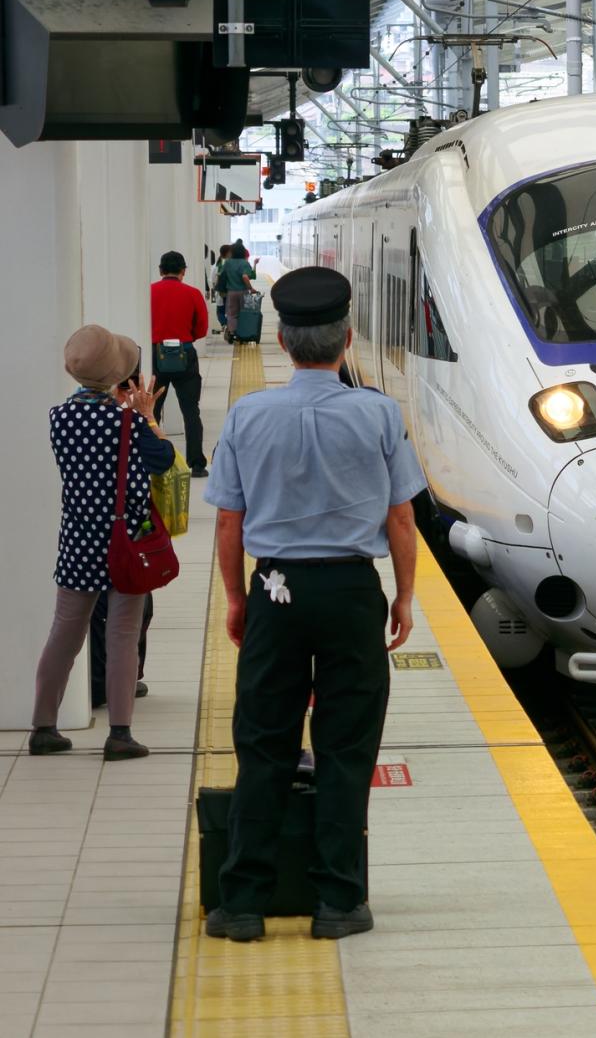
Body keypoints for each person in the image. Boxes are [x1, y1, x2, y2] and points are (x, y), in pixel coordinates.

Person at [204, 267, 424, 943]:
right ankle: (337, 903)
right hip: (350, 592)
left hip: (276, 590)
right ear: (346, 339)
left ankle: (240, 904)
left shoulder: (248, 413)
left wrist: (240, 600)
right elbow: (401, 522)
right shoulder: (379, 413)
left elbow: (228, 525)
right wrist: (405, 597)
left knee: (264, 746)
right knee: (345, 748)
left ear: (279, 337)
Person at [30, 327, 175, 761]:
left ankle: (43, 727)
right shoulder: (127, 421)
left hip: (77, 539)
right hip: (125, 542)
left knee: (64, 633)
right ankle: (120, 733)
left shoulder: (59, 416)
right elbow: (164, 460)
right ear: (116, 373)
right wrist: (145, 416)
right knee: (123, 635)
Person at [151, 250, 211, 478]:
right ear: (183, 272)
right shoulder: (193, 293)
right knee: (190, 411)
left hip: (157, 356)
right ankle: (196, 463)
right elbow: (202, 328)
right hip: (185, 353)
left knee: (152, 411)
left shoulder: (149, 292)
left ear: (160, 271)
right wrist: (185, 339)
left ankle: (154, 461)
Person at [221, 241, 255, 344]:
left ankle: (232, 333)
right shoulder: (244, 263)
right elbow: (245, 276)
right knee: (244, 314)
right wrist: (251, 288)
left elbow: (222, 275)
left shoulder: (228, 262)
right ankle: (243, 334)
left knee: (232, 314)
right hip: (244, 292)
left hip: (231, 292)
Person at [213, 244, 232, 328]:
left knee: (220, 311)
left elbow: (213, 279)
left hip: (221, 292)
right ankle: (229, 326)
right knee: (229, 311)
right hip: (230, 291)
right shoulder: (230, 264)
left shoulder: (217, 265)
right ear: (228, 253)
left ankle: (225, 325)